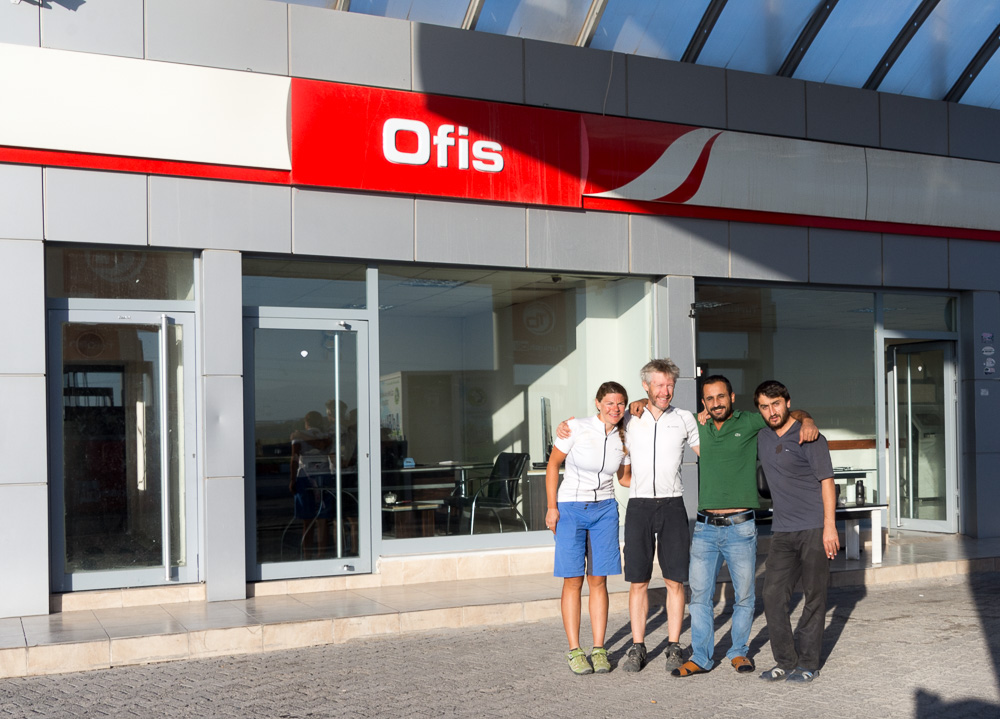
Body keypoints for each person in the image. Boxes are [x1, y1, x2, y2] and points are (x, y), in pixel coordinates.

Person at [651, 374, 817, 678]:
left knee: (744, 596)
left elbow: (789, 415)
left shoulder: (750, 422)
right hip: (704, 528)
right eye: (709, 399)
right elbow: (657, 408)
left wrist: (807, 422)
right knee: (699, 596)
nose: (716, 403)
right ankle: (701, 657)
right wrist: (638, 403)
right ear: (703, 402)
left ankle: (738, 651)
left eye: (721, 397)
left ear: (732, 398)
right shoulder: (695, 423)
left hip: (741, 528)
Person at [558, 359, 700, 673]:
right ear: (646, 386)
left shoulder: (685, 419)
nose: (666, 391)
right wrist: (565, 427)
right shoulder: (629, 419)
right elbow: (612, 451)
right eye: (659, 385)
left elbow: (709, 452)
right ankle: (637, 646)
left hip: (674, 504)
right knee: (638, 581)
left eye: (670, 385)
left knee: (675, 580)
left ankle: (674, 646)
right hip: (638, 506)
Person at [754, 380, 839, 684]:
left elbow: (827, 481)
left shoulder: (810, 436)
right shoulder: (762, 435)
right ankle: (785, 661)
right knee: (772, 595)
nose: (771, 410)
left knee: (815, 596)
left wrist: (830, 527)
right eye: (764, 406)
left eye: (776, 403)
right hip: (782, 530)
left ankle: (808, 663)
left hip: (815, 528)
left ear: (787, 402)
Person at [546, 382, 632, 675]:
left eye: (620, 404)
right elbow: (552, 465)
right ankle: (574, 650)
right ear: (597, 403)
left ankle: (598, 648)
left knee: (599, 581)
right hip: (570, 508)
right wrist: (552, 507)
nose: (615, 409)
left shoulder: (625, 437)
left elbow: (625, 478)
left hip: (606, 509)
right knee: (573, 580)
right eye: (609, 403)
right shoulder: (575, 427)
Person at [289, 411, 334, 558]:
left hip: (304, 477)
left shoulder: (298, 437)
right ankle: (322, 554)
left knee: (307, 521)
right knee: (323, 520)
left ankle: (307, 555)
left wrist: (292, 480)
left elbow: (294, 458)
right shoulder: (325, 435)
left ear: (306, 422)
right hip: (324, 475)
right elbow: (325, 446)